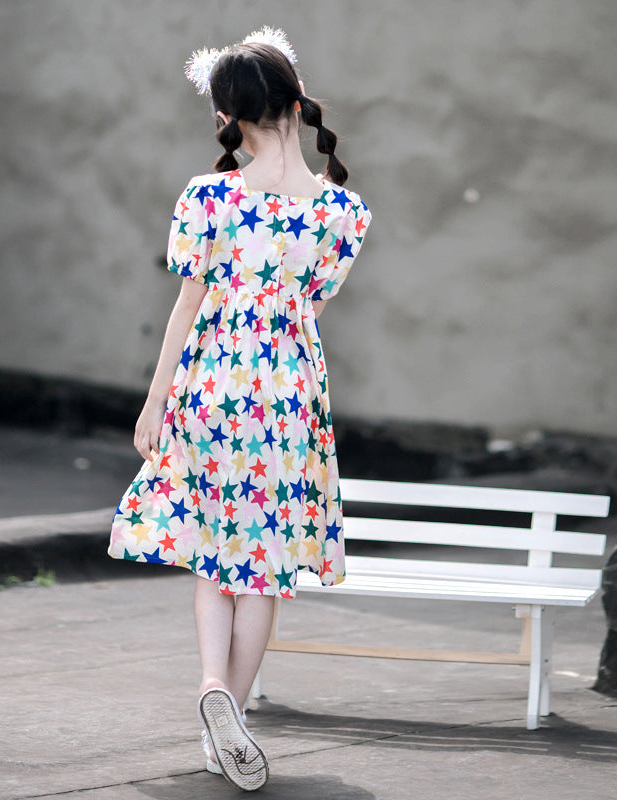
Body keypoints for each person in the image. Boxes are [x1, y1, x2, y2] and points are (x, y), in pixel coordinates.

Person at [108, 27, 371, 791]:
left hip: (212, 387)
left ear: (230, 116)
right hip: (286, 395)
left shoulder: (210, 196)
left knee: (212, 550)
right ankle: (235, 712)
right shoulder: (342, 213)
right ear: (295, 101)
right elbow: (310, 306)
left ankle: (210, 688)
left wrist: (155, 403)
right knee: (261, 565)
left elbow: (187, 305)